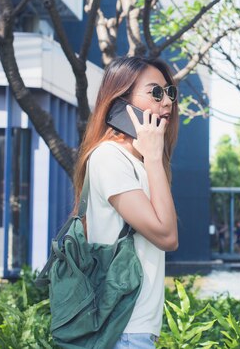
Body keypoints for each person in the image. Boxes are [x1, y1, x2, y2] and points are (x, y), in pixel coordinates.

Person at [72, 56, 179, 348]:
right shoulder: (109, 158)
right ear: (121, 100)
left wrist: (153, 159)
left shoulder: (141, 162)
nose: (167, 101)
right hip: (123, 331)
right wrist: (155, 158)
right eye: (156, 92)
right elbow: (167, 236)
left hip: (135, 330)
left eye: (170, 92)